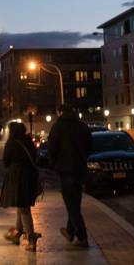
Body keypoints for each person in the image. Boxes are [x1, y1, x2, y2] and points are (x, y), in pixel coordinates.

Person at [47, 104, 93, 247]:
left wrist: (53, 163)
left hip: (65, 171)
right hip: (80, 170)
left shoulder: (58, 127)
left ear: (60, 112)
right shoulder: (83, 127)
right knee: (75, 203)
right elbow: (90, 147)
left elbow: (52, 148)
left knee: (72, 206)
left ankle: (82, 236)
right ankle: (70, 231)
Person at [0, 121, 42, 251]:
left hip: (17, 178)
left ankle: (31, 238)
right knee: (21, 205)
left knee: (23, 208)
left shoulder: (11, 144)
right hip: (29, 178)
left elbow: (6, 162)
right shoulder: (29, 142)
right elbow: (35, 158)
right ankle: (17, 234)